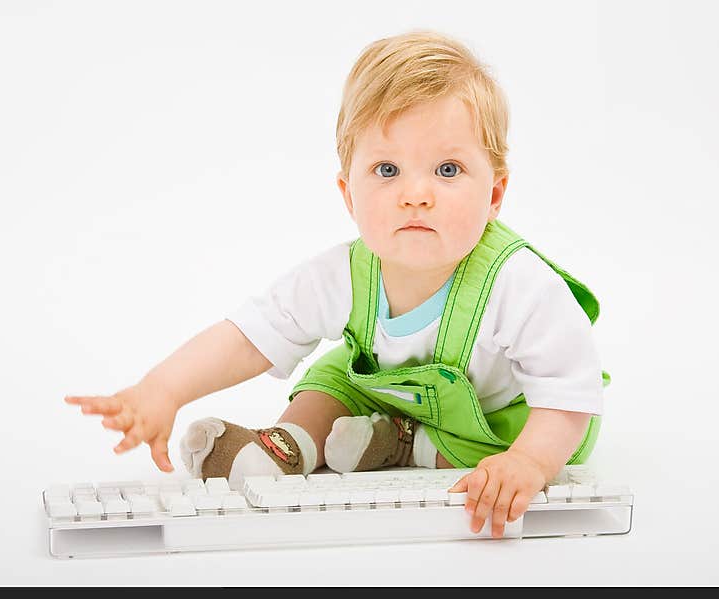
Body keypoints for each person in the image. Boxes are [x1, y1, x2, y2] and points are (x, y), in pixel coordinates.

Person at [65, 30, 609, 538]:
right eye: (387, 170)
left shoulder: (518, 286)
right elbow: (251, 336)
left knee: (501, 448)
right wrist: (163, 389)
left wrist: (530, 462)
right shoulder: (344, 274)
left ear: (494, 195)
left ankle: (406, 446)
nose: (416, 194)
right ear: (349, 195)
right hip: (390, 391)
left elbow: (570, 391)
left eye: (447, 170)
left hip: (498, 419)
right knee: (331, 377)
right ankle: (288, 443)